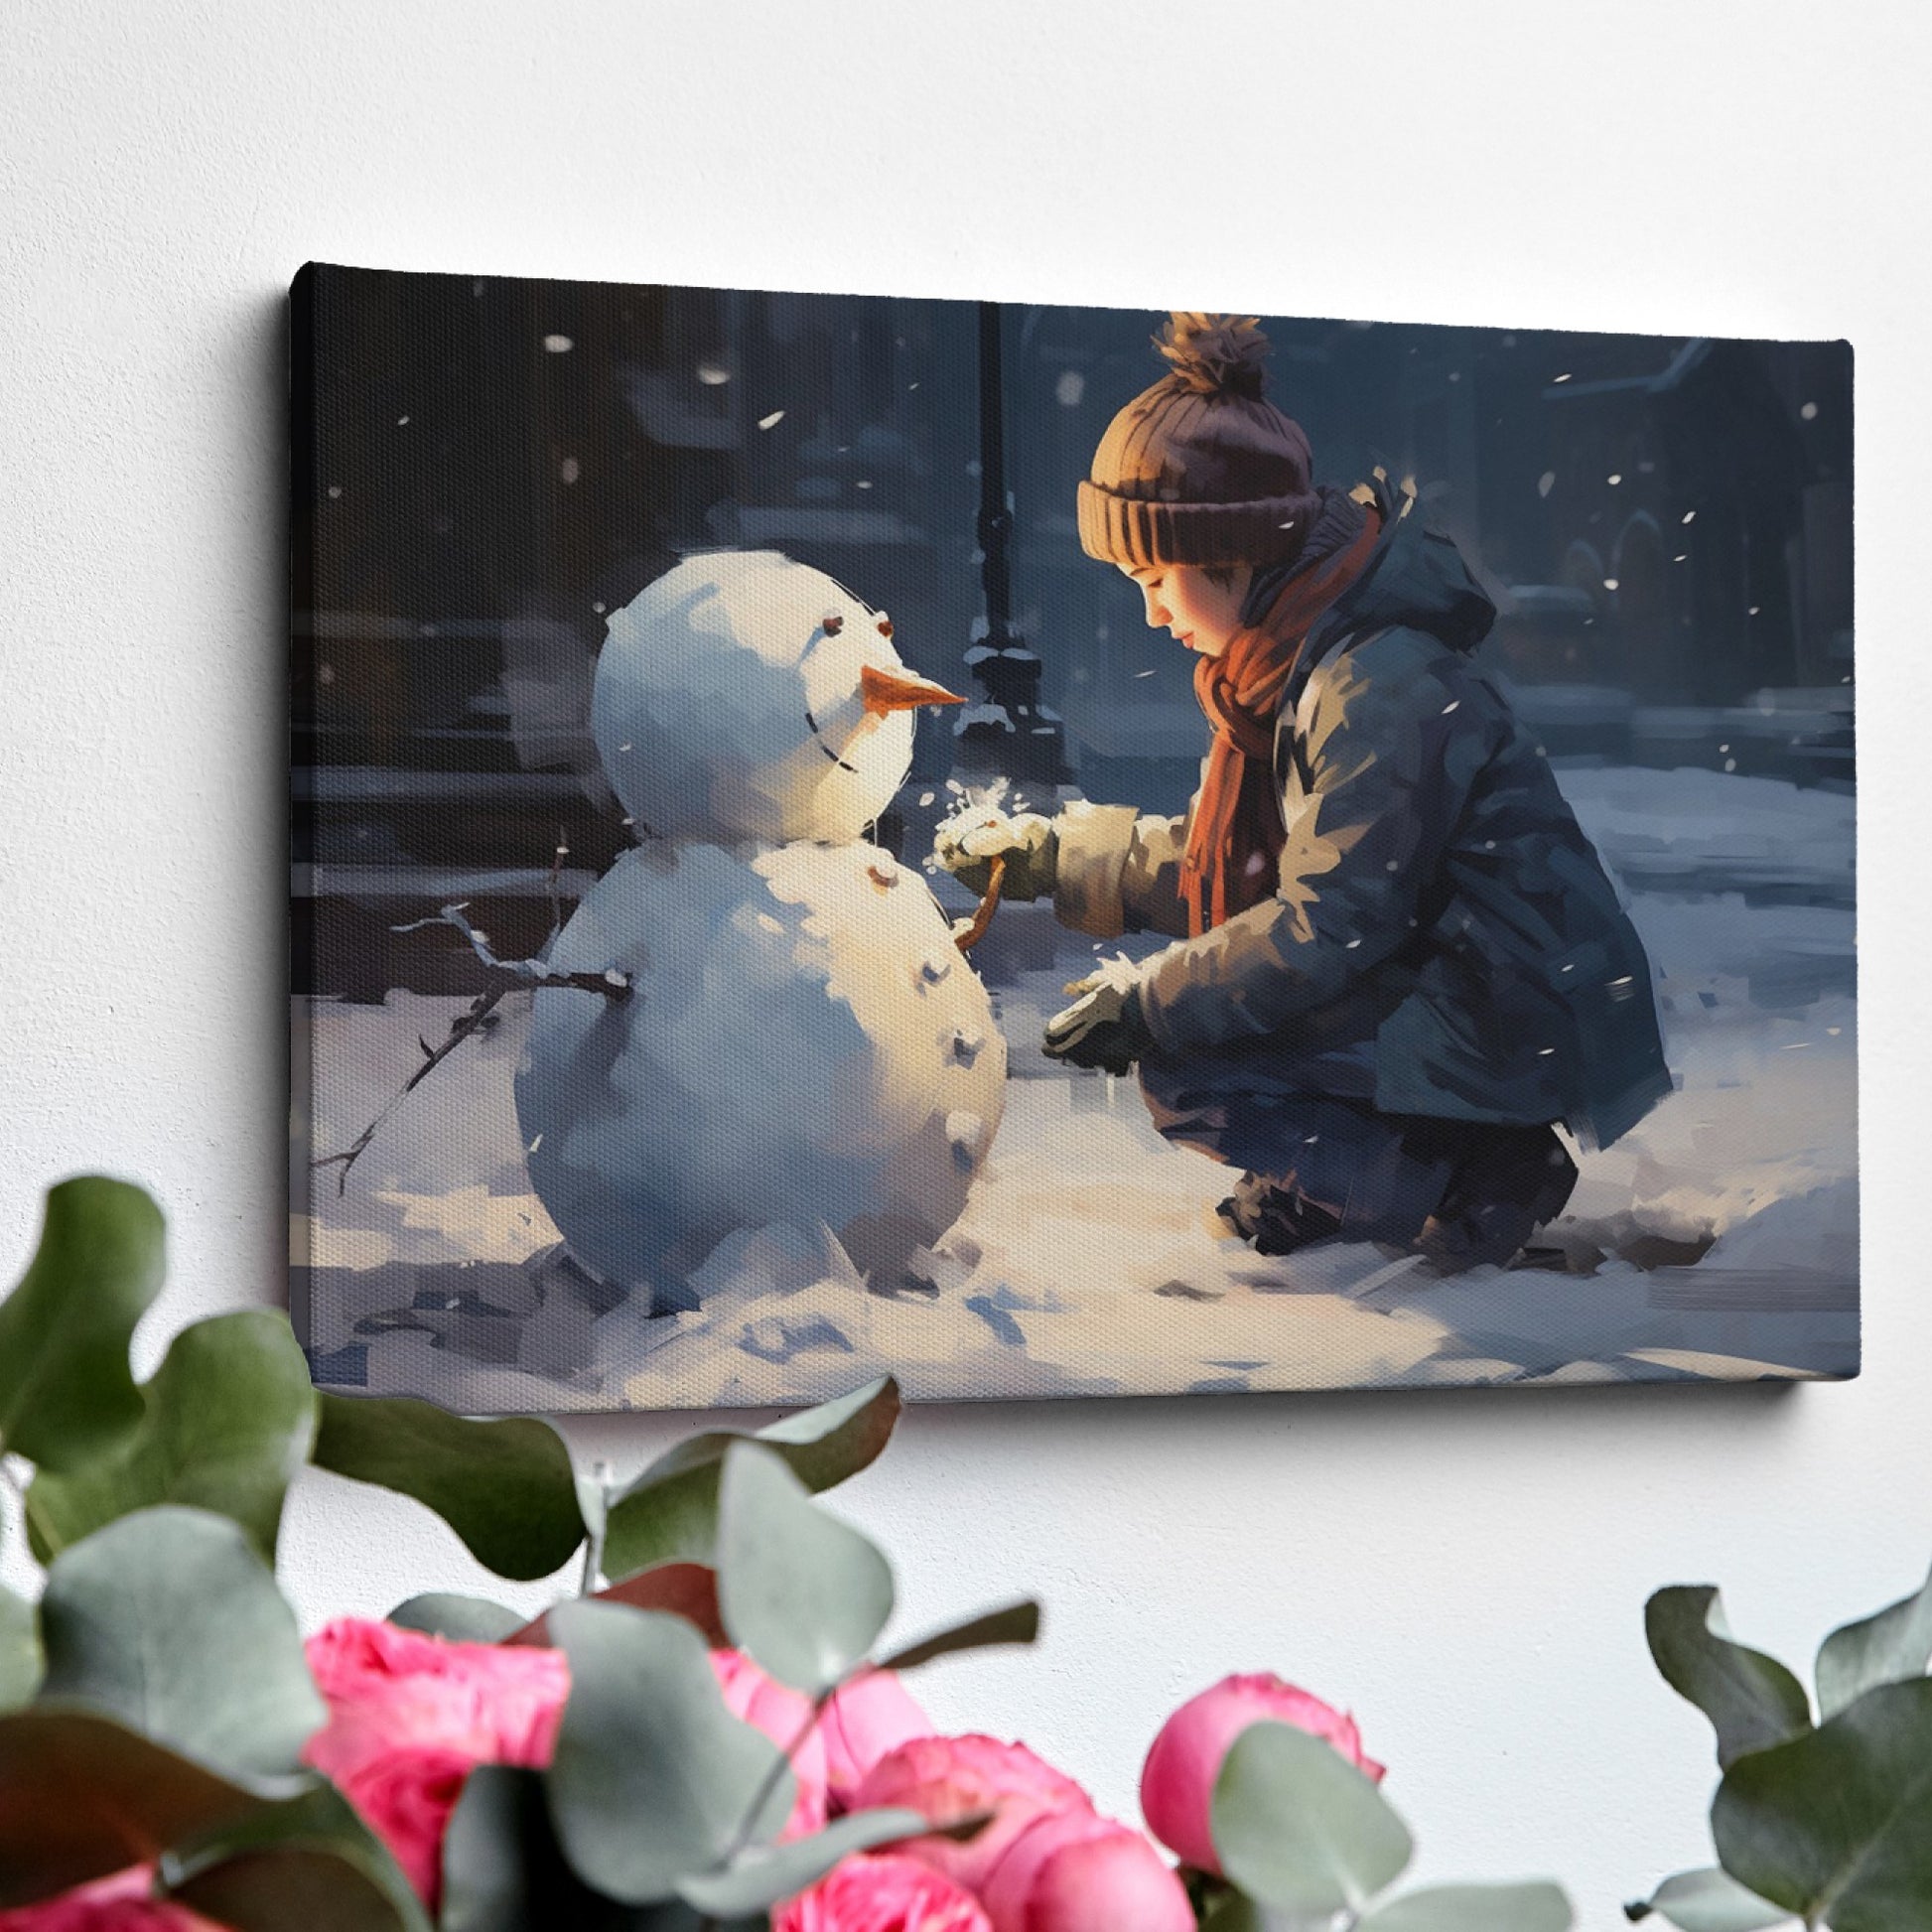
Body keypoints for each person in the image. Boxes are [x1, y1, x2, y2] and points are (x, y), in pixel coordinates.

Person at [936, 313, 1671, 1271]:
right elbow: (1243, 864)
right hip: (1457, 987)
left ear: (1236, 555)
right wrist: (1058, 856)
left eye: (1158, 576)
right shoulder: (1289, 663)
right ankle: (1361, 1177)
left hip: (1510, 1013)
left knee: (1192, 1064)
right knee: (1209, 1021)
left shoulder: (1373, 685)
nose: (1152, 610)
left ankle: (1477, 1170)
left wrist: (1149, 1002)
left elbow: (1330, 922)